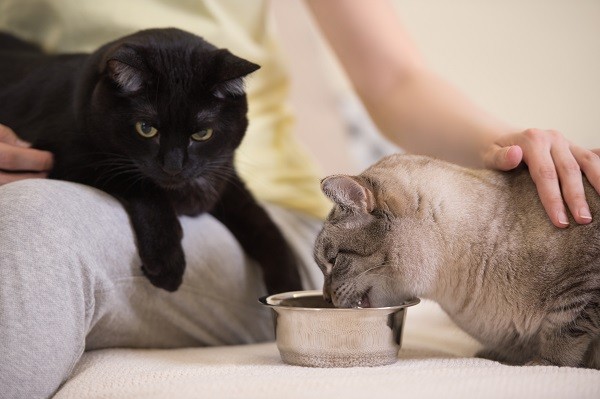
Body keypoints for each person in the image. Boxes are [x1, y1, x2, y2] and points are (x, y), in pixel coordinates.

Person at [0, 1, 598, 398]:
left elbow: (395, 80)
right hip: (62, 169)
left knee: (33, 227)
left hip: (255, 229)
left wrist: (511, 150)